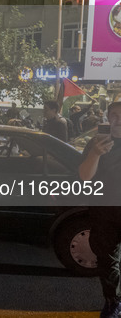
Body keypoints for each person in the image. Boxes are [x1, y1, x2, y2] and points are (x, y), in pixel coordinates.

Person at [79, 102, 121, 318]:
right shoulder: (96, 143)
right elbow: (85, 176)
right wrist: (95, 153)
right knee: (107, 262)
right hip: (104, 213)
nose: (117, 120)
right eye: (113, 115)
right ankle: (113, 301)